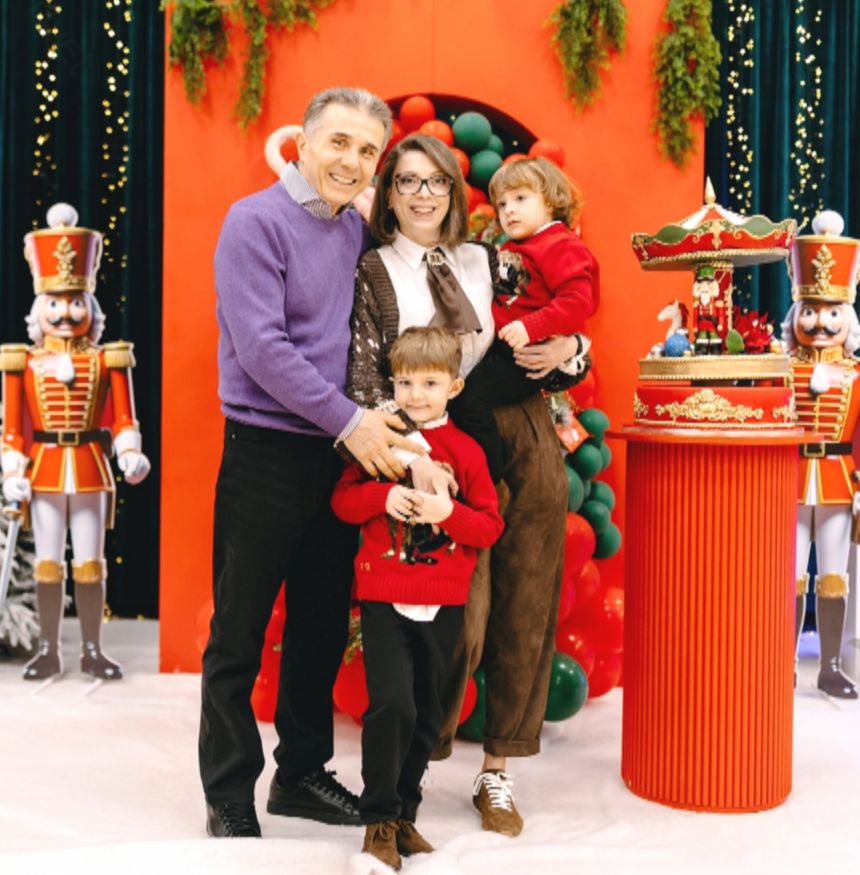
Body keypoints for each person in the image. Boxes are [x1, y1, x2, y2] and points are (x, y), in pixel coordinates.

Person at [199, 87, 425, 839]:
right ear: (303, 142)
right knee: (239, 630)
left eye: (367, 150)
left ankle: (299, 774)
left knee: (321, 625)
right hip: (267, 451)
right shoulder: (253, 221)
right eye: (339, 142)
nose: (352, 161)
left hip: (337, 453)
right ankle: (228, 790)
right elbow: (262, 350)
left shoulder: (352, 230)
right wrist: (352, 422)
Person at [348, 133, 586, 836]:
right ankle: (408, 775)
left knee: (527, 599)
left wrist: (573, 348)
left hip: (524, 431)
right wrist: (414, 454)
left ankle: (498, 770)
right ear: (388, 194)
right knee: (458, 613)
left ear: (455, 191)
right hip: (434, 446)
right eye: (408, 181)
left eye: (438, 181)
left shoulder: (490, 257)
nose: (423, 194)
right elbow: (363, 381)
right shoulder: (373, 269)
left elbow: (560, 309)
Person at [332, 326, 504, 869]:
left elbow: (489, 527)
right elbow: (343, 502)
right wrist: (385, 495)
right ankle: (378, 820)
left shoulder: (467, 451)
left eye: (429, 383)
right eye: (404, 382)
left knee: (428, 714)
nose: (415, 395)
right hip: (384, 593)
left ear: (454, 387)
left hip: (443, 598)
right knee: (392, 706)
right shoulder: (380, 440)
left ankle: (405, 814)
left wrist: (448, 513)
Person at [0, 203, 150, 682]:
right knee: (47, 563)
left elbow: (122, 418)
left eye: (75, 301)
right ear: (39, 308)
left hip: (89, 467)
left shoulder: (109, 359)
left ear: (90, 305)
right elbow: (14, 427)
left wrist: (130, 451)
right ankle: (48, 650)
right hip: (43, 468)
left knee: (90, 563)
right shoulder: (21, 361)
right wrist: (11, 471)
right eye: (55, 302)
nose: (65, 312)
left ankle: (91, 650)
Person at [450, 157, 597, 481]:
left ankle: (490, 475)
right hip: (502, 347)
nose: (509, 211)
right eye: (502, 204)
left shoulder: (561, 245)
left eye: (520, 198)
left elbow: (578, 302)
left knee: (470, 401)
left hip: (525, 357)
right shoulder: (517, 246)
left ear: (550, 201)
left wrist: (531, 327)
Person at [781, 209, 860, 699]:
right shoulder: (781, 371)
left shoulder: (856, 375)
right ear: (797, 314)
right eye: (811, 310)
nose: (821, 322)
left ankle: (829, 667)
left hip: (838, 480)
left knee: (833, 577)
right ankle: (783, 663)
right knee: (788, 577)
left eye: (832, 312)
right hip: (789, 481)